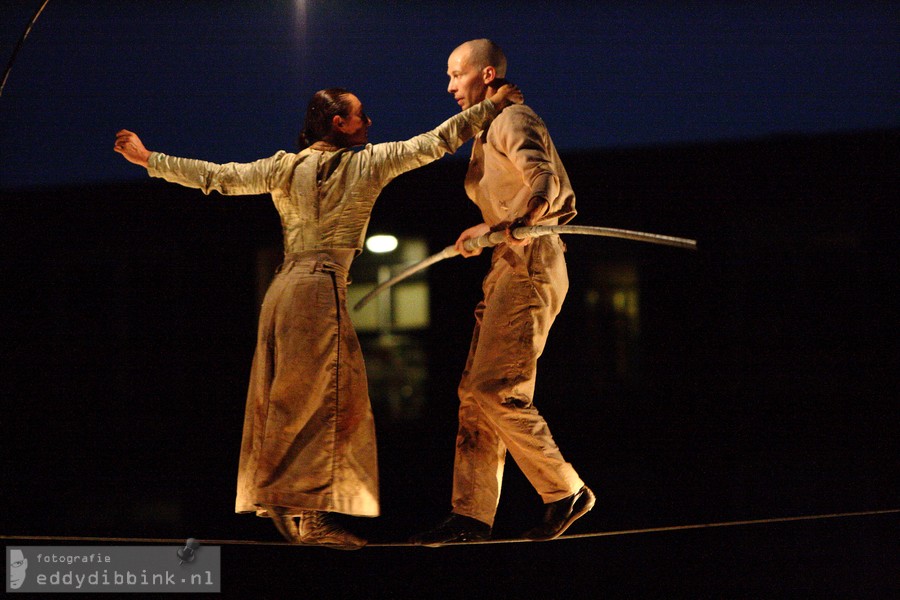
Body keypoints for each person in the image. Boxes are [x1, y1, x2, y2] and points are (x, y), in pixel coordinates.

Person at [114, 82, 522, 549]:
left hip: (284, 292)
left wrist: (151, 160)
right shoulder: (366, 161)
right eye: (360, 115)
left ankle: (297, 507)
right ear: (337, 122)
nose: (369, 123)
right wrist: (491, 106)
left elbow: (217, 176)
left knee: (302, 401)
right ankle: (308, 516)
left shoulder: (284, 167)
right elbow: (434, 143)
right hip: (316, 291)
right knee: (328, 403)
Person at [410, 39, 594, 546]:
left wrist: (524, 220)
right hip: (508, 260)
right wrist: (485, 229)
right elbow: (511, 196)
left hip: (532, 260)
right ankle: (471, 516)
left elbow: (543, 179)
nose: (449, 86)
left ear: (486, 75)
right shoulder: (487, 128)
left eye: (456, 75)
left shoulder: (513, 119)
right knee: (474, 394)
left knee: (498, 388)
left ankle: (565, 490)